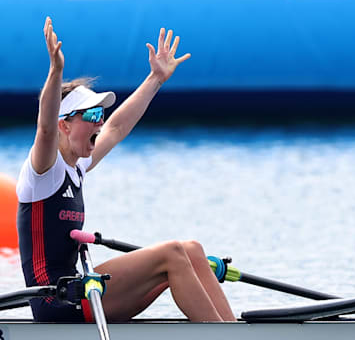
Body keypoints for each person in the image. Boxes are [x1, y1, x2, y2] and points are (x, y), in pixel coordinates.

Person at [16, 17, 235, 323]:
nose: (100, 121)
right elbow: (45, 128)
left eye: (100, 113)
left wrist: (156, 79)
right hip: (56, 302)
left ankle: (230, 329)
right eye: (92, 114)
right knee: (172, 252)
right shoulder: (42, 172)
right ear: (64, 124)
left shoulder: (78, 165)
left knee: (192, 250)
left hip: (80, 289)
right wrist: (55, 72)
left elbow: (117, 127)